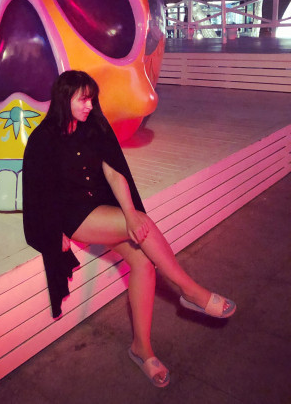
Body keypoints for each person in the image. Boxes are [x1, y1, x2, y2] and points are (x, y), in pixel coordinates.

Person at [23, 70, 236, 388]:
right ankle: (190, 291)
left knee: (143, 262)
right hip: (72, 217)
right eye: (83, 99)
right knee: (142, 224)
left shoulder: (93, 126)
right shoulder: (43, 139)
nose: (90, 105)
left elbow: (114, 173)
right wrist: (53, 233)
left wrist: (129, 213)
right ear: (64, 99)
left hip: (99, 207)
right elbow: (37, 192)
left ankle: (141, 348)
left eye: (92, 99)